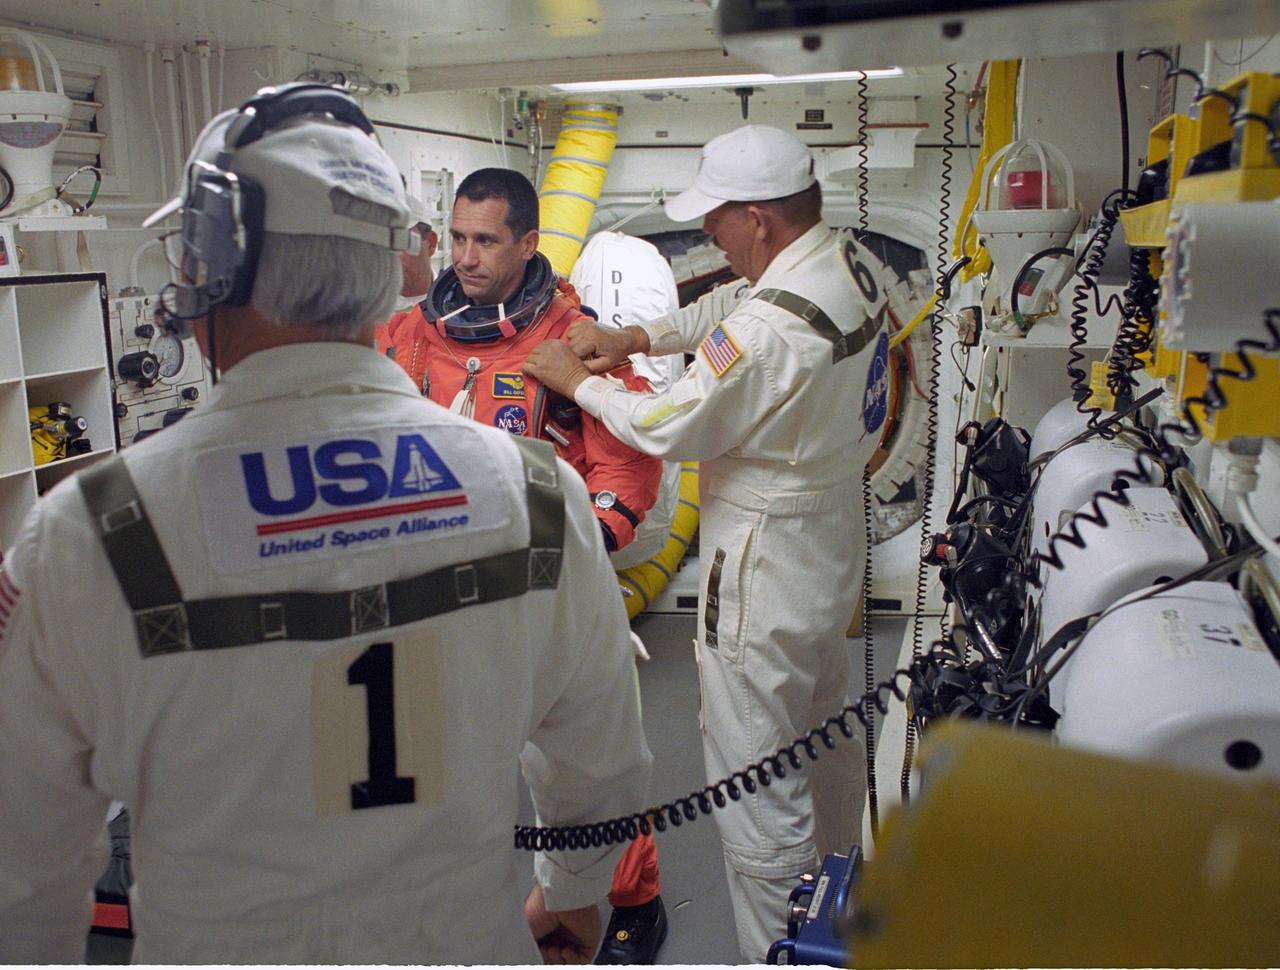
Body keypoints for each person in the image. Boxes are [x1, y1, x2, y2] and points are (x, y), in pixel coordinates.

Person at [0, 83, 651, 964]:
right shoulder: (536, 496)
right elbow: (600, 764)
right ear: (396, 268)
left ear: (210, 268)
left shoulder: (90, 531)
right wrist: (575, 900)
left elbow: (24, 862)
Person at [525, 124, 892, 962]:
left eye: (717, 221)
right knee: (822, 723)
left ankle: (782, 950)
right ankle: (843, 899)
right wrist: (636, 338)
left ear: (757, 218)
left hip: (764, 556)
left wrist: (575, 379)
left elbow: (669, 423)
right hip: (830, 536)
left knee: (753, 775)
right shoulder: (844, 264)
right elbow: (742, 303)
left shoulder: (772, 332)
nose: (710, 237)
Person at [376, 168, 668, 965]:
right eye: (458, 237)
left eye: (486, 241)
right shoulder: (408, 337)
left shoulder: (573, 338)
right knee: (436, 760)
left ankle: (632, 899)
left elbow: (628, 457)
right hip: (433, 590)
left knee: (590, 763)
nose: (465, 257)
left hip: (547, 587)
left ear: (528, 243)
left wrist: (589, 548)